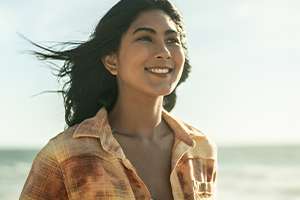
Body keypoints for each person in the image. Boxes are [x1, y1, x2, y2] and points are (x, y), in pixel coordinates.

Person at [20, 0, 217, 199]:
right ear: (112, 60)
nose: (164, 52)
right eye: (145, 38)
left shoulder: (200, 149)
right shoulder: (64, 155)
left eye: (172, 40)